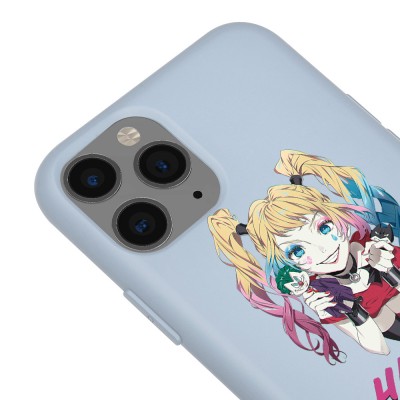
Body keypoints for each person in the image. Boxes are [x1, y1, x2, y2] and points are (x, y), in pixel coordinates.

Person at [208, 150, 400, 363]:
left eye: (324, 228)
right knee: (382, 316)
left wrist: (390, 270)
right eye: (297, 251)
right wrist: (347, 311)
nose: (322, 249)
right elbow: (380, 348)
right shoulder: (325, 294)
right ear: (288, 263)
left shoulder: (374, 246)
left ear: (340, 220)